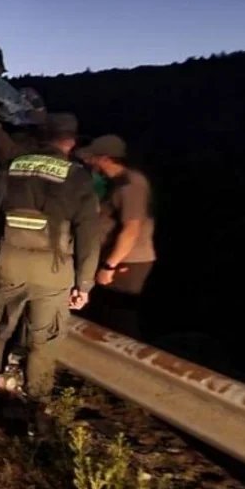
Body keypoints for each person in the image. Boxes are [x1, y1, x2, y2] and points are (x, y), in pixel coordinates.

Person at [0, 113, 101, 417]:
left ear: (42, 137)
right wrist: (84, 284)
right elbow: (88, 235)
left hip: (10, 264)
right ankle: (36, 413)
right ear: (69, 141)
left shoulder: (11, 168)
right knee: (43, 342)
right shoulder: (77, 176)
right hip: (54, 274)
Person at [76, 134, 156, 340]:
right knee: (104, 313)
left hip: (127, 262)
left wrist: (109, 266)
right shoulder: (116, 183)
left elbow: (131, 229)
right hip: (115, 258)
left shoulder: (130, 185)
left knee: (119, 318)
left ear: (105, 158)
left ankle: (125, 362)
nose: (89, 162)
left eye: (93, 157)